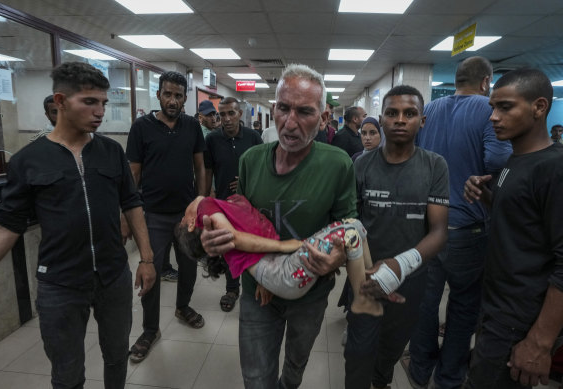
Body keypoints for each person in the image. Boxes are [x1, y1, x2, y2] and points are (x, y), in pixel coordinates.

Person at [0, 62, 156, 389]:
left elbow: (132, 204)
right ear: (60, 101)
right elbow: (6, 227)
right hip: (59, 283)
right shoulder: (28, 161)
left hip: (113, 275)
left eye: (103, 102)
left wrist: (146, 259)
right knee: (67, 371)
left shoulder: (111, 152)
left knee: (117, 355)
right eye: (89, 101)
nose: (100, 110)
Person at [200, 63, 358, 388]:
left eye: (305, 112)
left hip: (311, 291)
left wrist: (337, 259)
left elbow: (348, 226)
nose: (290, 122)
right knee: (257, 378)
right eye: (283, 108)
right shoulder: (251, 160)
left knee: (295, 368)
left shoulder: (337, 164)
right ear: (273, 109)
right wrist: (218, 241)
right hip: (257, 289)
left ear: (324, 118)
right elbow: (241, 221)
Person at [404, 56, 512, 389]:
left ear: (456, 80)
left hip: (430, 224)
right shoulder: (487, 109)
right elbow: (496, 158)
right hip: (467, 228)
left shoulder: (433, 109)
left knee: (425, 299)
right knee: (464, 304)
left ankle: (420, 367)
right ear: (486, 82)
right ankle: (449, 376)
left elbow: (415, 153)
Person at [463, 68, 563, 389]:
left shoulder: (553, 169)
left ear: (539, 107)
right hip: (496, 305)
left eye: (505, 107)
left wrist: (540, 341)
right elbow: (524, 222)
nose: (493, 117)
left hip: (519, 319)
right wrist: (488, 197)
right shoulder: (515, 160)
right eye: (493, 107)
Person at [345, 85, 449, 389]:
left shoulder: (435, 165)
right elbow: (352, 226)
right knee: (358, 353)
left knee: (389, 351)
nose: (400, 120)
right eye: (392, 113)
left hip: (412, 281)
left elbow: (439, 232)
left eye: (410, 113)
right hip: (364, 279)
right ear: (382, 118)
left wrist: (398, 266)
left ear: (422, 121)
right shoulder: (361, 165)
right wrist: (363, 271)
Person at [177, 194, 389, 315]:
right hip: (282, 272)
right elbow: (233, 237)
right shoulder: (205, 208)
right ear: (190, 224)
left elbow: (245, 245)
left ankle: (369, 278)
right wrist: (284, 246)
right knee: (351, 232)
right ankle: (363, 300)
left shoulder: (222, 207)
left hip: (277, 273)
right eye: (182, 220)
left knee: (356, 225)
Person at [124, 70, 208, 363]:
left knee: (189, 266)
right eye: (167, 94)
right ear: (158, 94)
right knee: (151, 271)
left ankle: (183, 307)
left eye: (178, 95)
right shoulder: (141, 128)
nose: (172, 100)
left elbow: (200, 168)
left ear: (185, 99)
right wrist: (128, 213)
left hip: (186, 214)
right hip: (154, 214)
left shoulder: (192, 127)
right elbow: (133, 172)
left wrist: (200, 202)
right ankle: (149, 329)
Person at [204, 96, 262, 312]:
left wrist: (247, 182)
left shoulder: (254, 137)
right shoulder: (212, 140)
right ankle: (231, 289)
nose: (226, 119)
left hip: (250, 203)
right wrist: (204, 202)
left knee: (252, 245)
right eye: (222, 114)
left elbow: (263, 168)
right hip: (223, 204)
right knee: (229, 246)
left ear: (240, 114)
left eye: (231, 113)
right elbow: (207, 172)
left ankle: (256, 284)